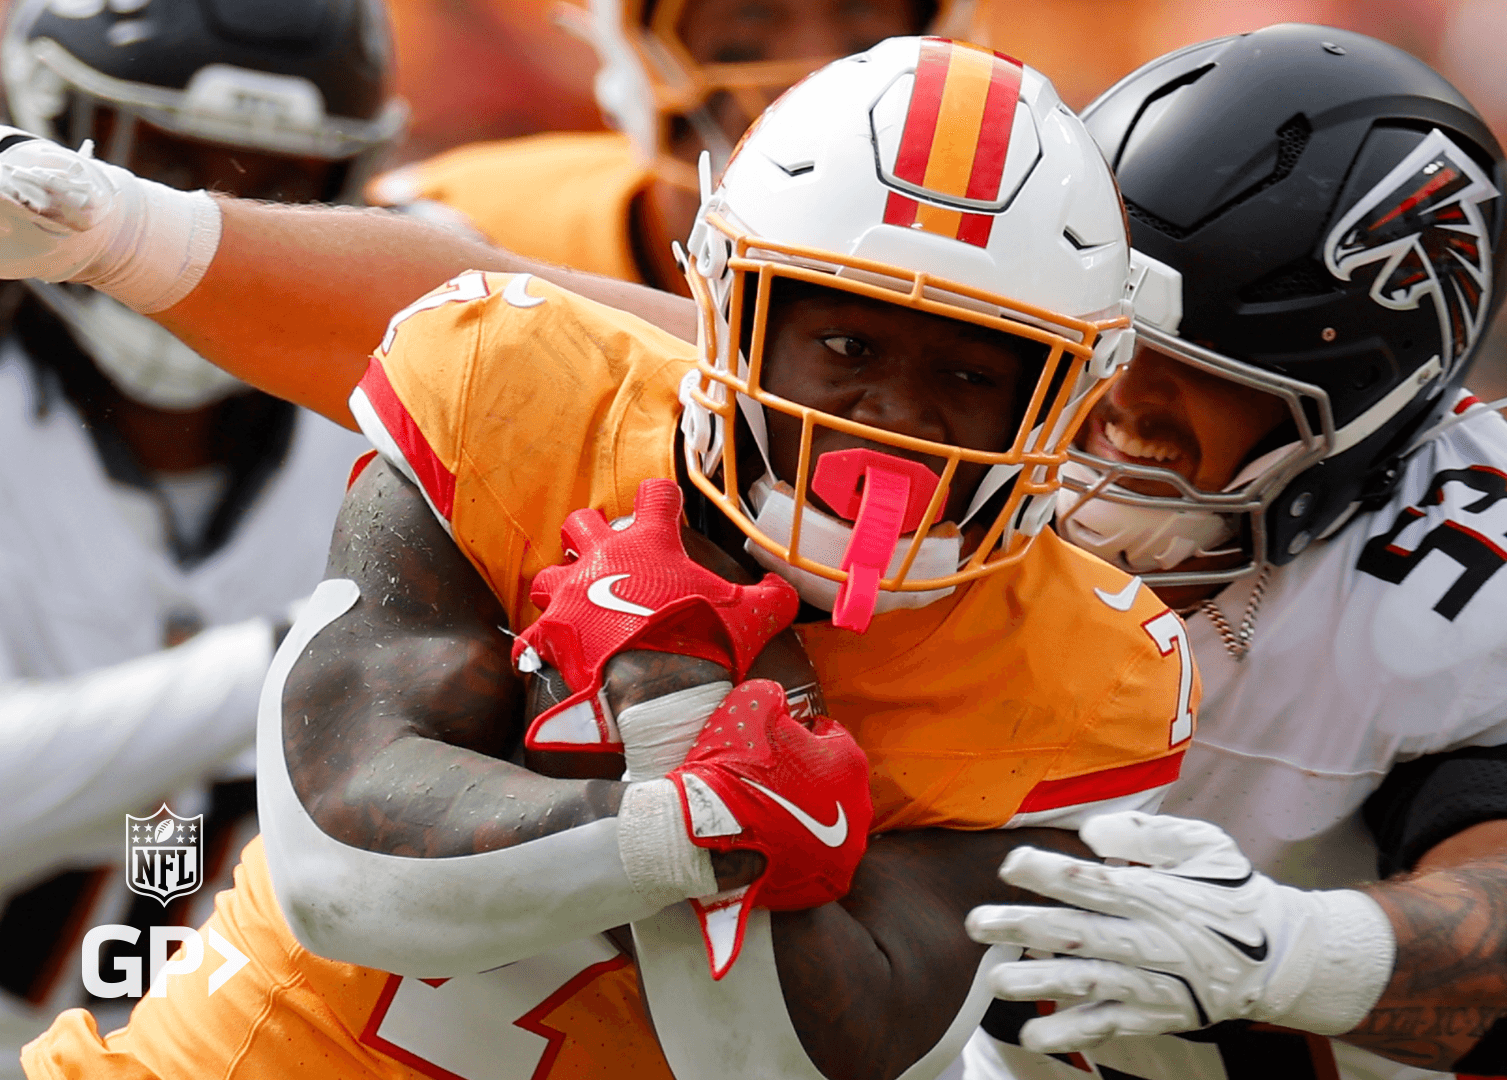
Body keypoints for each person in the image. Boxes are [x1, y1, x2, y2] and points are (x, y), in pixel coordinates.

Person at [13, 37, 1198, 1080]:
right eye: (846, 344)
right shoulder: (527, 392)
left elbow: (776, 1065)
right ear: (732, 313)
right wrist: (693, 808)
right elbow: (341, 879)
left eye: (971, 372)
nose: (892, 416)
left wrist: (678, 720)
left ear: (1065, 398)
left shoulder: (1089, 670)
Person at [962, 26, 1507, 1080]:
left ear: (1366, 403)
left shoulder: (1472, 577)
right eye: (1101, 331)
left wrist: (1289, 955)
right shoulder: (961, 431)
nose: (1121, 398)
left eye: (1203, 366)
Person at [0, 0, 397, 1069]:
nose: (211, 223)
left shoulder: (412, 388)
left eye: (278, 185)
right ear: (46, 122)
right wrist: (302, 652)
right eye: (165, 161)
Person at [368, 0, 972, 288]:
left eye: (862, 16)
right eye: (752, 16)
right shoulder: (461, 231)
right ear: (639, 49)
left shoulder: (982, 274)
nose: (814, 67)